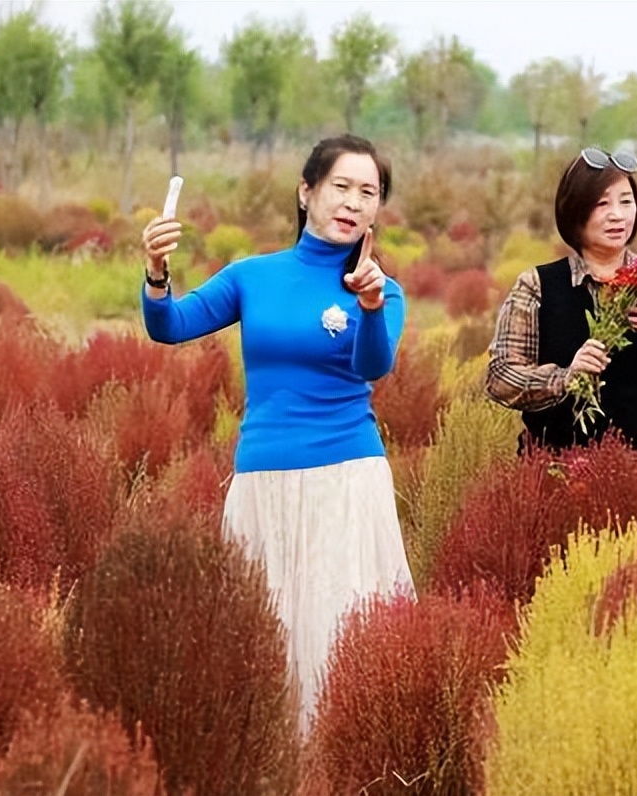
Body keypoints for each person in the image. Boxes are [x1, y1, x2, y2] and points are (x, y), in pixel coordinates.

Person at [140, 134, 414, 724]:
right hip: (262, 480)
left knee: (337, 630)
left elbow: (374, 366)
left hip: (345, 478)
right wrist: (157, 273)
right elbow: (170, 325)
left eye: (369, 192)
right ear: (306, 191)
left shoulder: (382, 290)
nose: (353, 202)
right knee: (261, 633)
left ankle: (340, 765)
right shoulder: (252, 277)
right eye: (341, 186)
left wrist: (367, 309)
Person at [486, 147, 637, 451]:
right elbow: (500, 378)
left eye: (626, 202)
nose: (618, 215)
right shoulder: (538, 286)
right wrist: (565, 377)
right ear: (575, 211)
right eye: (602, 204)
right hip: (558, 469)